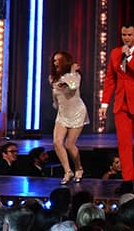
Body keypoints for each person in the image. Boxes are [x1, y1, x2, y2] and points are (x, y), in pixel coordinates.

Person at [99, 22, 134, 184]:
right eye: (124, 35)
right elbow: (110, 79)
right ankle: (128, 180)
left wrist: (129, 56)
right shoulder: (115, 53)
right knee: (123, 144)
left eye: (129, 35)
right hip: (121, 104)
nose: (126, 38)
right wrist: (104, 104)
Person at [50, 50, 88, 184]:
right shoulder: (53, 77)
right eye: (54, 60)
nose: (55, 63)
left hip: (77, 112)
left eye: (58, 60)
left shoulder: (75, 76)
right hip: (62, 113)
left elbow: (73, 86)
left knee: (69, 144)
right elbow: (55, 94)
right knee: (57, 142)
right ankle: (67, 171)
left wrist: (71, 71)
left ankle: (79, 168)